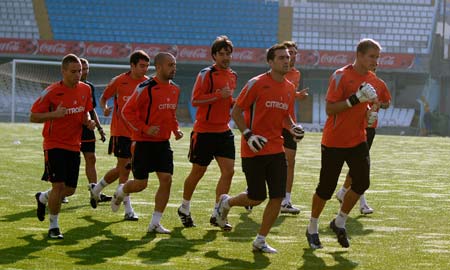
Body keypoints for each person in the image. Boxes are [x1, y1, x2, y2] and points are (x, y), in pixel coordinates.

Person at [215, 43, 304, 253]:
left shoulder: (290, 88)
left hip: (276, 149)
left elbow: (285, 116)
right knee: (256, 197)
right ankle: (226, 203)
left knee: (277, 196)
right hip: (253, 149)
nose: (286, 60)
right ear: (270, 62)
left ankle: (260, 240)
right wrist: (248, 134)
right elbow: (236, 112)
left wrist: (293, 128)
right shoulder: (256, 83)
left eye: (288, 57)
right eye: (281, 57)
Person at [305, 39, 379, 250]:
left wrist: (369, 115)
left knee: (362, 182)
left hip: (358, 139)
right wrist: (355, 99)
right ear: (359, 55)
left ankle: (339, 222)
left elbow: (363, 109)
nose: (375, 61)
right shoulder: (340, 76)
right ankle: (312, 227)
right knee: (326, 189)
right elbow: (330, 110)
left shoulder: (372, 79)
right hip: (334, 141)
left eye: (377, 57)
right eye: (372, 56)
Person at [114, 52, 183, 234]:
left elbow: (170, 114)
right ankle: (122, 190)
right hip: (143, 142)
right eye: (170, 65)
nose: (173, 68)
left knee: (166, 179)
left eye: (174, 65)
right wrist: (144, 128)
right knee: (140, 184)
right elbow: (126, 112)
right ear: (159, 67)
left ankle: (155, 223)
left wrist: (175, 130)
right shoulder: (145, 88)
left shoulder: (175, 89)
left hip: (163, 143)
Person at [32, 54, 95, 239]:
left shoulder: (85, 89)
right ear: (64, 71)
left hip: (74, 144)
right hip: (54, 144)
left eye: (80, 71)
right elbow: (33, 116)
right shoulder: (52, 91)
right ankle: (54, 226)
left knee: (70, 190)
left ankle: (43, 197)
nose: (78, 74)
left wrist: (88, 122)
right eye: (74, 71)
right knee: (58, 186)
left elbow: (86, 113)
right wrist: (55, 115)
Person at [177, 36, 237, 229]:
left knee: (228, 171)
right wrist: (218, 95)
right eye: (221, 54)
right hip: (204, 131)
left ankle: (218, 213)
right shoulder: (206, 74)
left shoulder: (232, 76)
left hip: (224, 131)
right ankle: (184, 207)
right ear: (214, 55)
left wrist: (236, 103)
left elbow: (227, 101)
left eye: (228, 53)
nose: (225, 57)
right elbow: (195, 100)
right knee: (197, 172)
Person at [90, 50, 150, 221]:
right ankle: (128, 210)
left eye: (147, 66)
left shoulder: (147, 84)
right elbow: (103, 98)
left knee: (121, 169)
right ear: (132, 65)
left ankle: (96, 189)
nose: (145, 69)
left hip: (138, 134)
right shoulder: (119, 81)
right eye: (141, 66)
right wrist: (105, 108)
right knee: (125, 170)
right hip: (121, 132)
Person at [335, 66, 391, 215]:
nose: (372, 65)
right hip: (354, 126)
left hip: (369, 127)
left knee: (360, 165)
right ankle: (357, 200)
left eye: (374, 62)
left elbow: (387, 102)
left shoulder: (380, 83)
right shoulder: (353, 80)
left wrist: (379, 104)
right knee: (360, 165)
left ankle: (344, 192)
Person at [79, 58, 112, 206]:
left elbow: (91, 109)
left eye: (86, 69)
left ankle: (95, 190)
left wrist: (99, 128)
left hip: (88, 128)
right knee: (68, 161)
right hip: (70, 130)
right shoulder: (66, 87)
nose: (84, 72)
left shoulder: (89, 87)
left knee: (91, 158)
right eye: (82, 69)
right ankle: (61, 191)